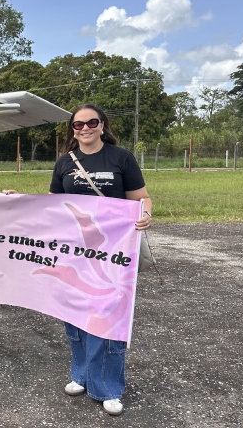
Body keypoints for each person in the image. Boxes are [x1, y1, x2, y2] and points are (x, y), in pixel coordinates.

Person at [47, 103, 152, 416]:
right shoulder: (64, 162)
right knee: (75, 314)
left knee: (108, 317)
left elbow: (142, 198)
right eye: (78, 124)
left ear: (103, 125)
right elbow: (51, 205)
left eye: (91, 122)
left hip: (113, 252)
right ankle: (81, 374)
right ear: (73, 129)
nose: (85, 128)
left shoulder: (121, 157)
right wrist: (17, 202)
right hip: (73, 251)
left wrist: (146, 214)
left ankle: (108, 386)